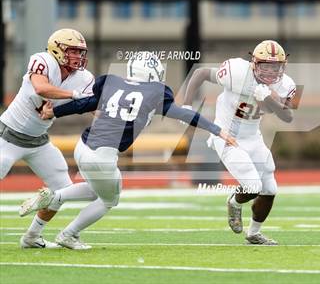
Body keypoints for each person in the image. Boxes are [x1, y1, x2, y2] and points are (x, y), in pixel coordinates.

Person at [19, 52, 237, 249]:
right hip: (102, 155)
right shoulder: (156, 92)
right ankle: (69, 234)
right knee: (109, 199)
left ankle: (52, 199)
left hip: (83, 146)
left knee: (96, 190)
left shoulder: (113, 82)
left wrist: (55, 113)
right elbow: (186, 115)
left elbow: (84, 104)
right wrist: (217, 130)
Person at [182, 40, 296, 245]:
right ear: (254, 63)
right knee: (252, 186)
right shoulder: (236, 71)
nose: (271, 72)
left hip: (253, 137)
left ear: (283, 66)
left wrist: (268, 99)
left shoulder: (286, 84)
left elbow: (288, 117)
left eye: (275, 67)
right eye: (265, 66)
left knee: (269, 188)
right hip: (226, 136)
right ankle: (234, 202)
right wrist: (187, 106)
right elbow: (200, 74)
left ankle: (253, 234)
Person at [0, 28, 94, 248]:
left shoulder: (84, 78)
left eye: (80, 52)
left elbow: (93, 106)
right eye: (73, 51)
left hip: (38, 141)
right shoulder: (42, 60)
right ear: (57, 49)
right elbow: (42, 88)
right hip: (7, 137)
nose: (78, 57)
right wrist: (73, 95)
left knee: (62, 188)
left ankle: (32, 237)